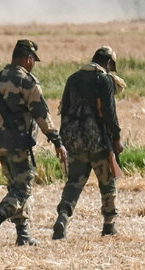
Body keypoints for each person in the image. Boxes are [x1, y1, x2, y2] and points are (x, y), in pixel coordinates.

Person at [0, 39, 67, 247]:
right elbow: (42, 114)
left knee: (15, 188)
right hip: (18, 143)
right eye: (33, 60)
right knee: (23, 189)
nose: (33, 64)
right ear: (28, 58)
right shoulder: (27, 82)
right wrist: (57, 141)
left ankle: (23, 234)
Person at [51, 46, 124, 240]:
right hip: (99, 141)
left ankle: (63, 217)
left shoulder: (73, 78)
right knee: (107, 182)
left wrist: (64, 140)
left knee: (74, 183)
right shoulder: (104, 79)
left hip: (75, 142)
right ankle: (109, 226)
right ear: (108, 63)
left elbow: (64, 110)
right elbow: (110, 113)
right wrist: (116, 137)